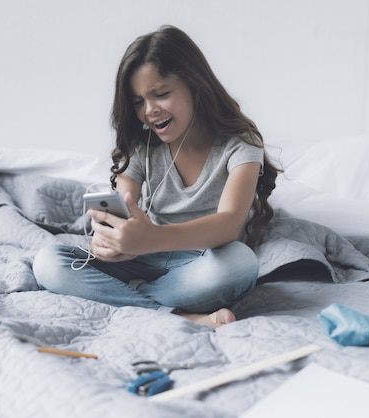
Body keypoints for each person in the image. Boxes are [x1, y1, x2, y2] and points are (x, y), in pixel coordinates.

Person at [33, 25, 279, 329]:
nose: (149, 110)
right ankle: (180, 315)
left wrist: (152, 239)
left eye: (160, 94)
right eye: (138, 101)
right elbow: (122, 209)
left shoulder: (241, 144)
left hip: (203, 261)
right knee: (49, 262)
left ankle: (128, 298)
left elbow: (229, 223)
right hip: (142, 259)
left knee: (241, 264)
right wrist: (106, 243)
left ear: (195, 85)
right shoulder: (142, 146)